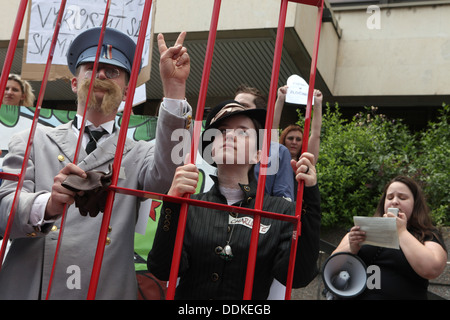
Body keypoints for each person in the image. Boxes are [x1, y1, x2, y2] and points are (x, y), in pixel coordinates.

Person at [0, 27, 192, 299]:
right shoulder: (31, 140)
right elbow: (2, 214)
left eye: (112, 71)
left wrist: (174, 90)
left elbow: (167, 177)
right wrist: (48, 204)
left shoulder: (140, 152)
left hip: (106, 288)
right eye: (91, 68)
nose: (101, 74)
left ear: (127, 92)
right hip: (33, 287)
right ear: (74, 83)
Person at [147, 100, 321, 299]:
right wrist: (172, 202)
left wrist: (310, 195)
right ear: (211, 150)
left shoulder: (279, 211)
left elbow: (298, 277)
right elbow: (162, 268)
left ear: (258, 156)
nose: (229, 135)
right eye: (221, 130)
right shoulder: (191, 206)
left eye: (242, 131)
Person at [332, 176, 448, 299]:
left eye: (402, 198)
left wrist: (401, 232)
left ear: (415, 203)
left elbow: (432, 269)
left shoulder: (427, 234)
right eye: (390, 197)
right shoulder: (363, 229)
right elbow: (331, 268)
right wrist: (352, 248)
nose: (395, 201)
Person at [234, 85, 294, 201]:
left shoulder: (278, 152)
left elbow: (283, 202)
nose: (236, 109)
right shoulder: (222, 146)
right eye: (234, 105)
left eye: (244, 106)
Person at [276, 86, 322, 165]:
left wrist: (317, 103)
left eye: (298, 139)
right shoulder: (274, 159)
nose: (294, 142)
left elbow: (316, 135)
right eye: (290, 138)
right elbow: (271, 129)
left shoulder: (306, 162)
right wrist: (280, 100)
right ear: (283, 140)